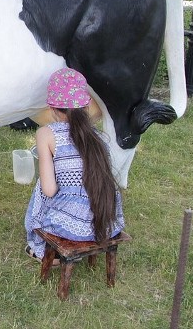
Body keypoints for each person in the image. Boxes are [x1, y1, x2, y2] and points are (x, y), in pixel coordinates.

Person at [24, 68, 125, 262]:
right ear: (86, 105)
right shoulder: (99, 138)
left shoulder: (46, 134)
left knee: (41, 186)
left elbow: (49, 190)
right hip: (106, 224)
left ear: (52, 108)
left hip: (68, 227)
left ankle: (45, 251)